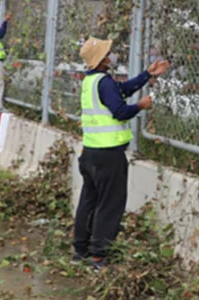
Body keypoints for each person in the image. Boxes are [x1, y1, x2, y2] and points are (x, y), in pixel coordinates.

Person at [72, 37, 170, 270]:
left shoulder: (91, 81)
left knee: (89, 200)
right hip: (108, 155)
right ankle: (99, 257)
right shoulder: (104, 82)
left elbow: (122, 90)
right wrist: (141, 106)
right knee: (110, 204)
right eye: (108, 53)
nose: (112, 56)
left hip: (90, 153)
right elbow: (120, 111)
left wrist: (148, 74)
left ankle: (80, 251)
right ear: (101, 60)